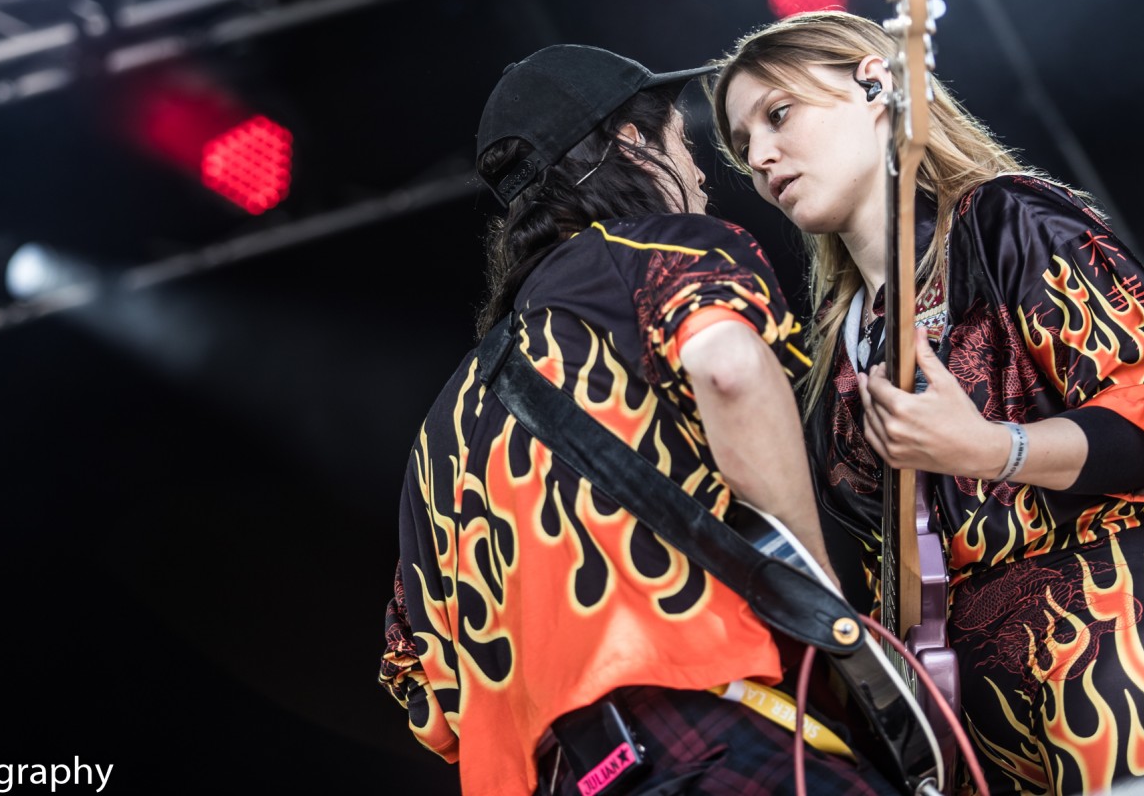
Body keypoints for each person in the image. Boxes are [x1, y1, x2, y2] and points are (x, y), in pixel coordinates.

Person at [708, 9, 1144, 794]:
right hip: (970, 723)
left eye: (779, 114)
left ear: (876, 85)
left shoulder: (1008, 218)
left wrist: (992, 450)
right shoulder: (835, 347)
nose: (761, 157)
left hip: (1119, 637)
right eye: (741, 146)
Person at [377, 44, 902, 796]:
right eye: (684, 144)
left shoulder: (442, 427)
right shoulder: (658, 254)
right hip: (721, 739)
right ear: (633, 143)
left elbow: (422, 690)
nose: (699, 175)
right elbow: (729, 367)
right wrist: (826, 615)